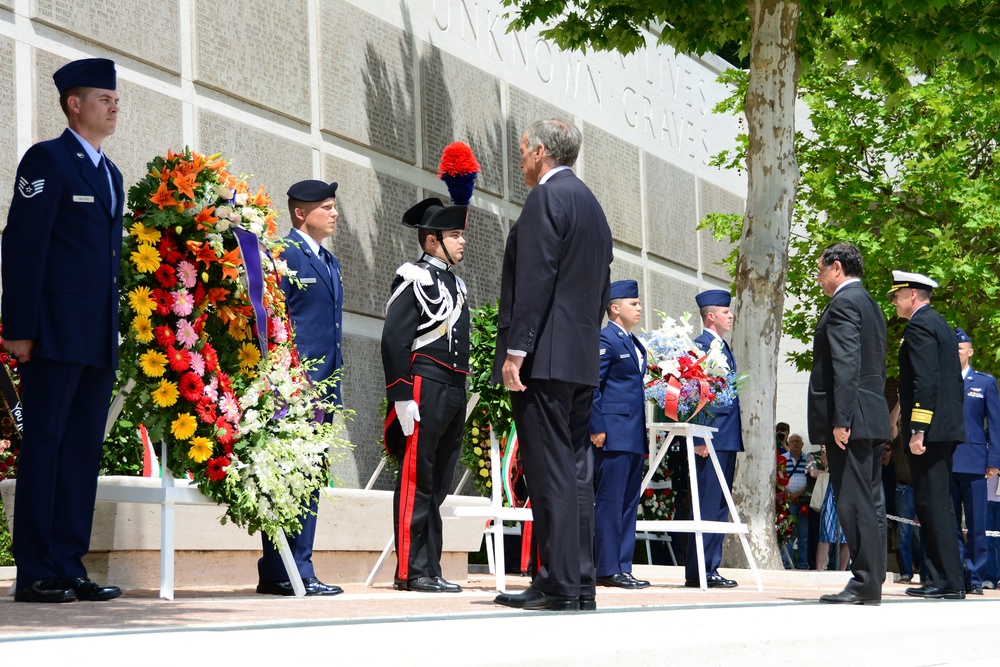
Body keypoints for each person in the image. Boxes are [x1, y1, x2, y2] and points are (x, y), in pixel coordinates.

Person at [1, 58, 124, 603]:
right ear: (74, 104)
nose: (114, 105)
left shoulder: (110, 174)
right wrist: (19, 328)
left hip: (96, 336)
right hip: (51, 332)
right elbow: (23, 246)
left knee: (80, 450)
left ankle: (69, 563)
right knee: (46, 446)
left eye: (115, 98)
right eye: (103, 97)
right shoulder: (47, 160)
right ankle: (34, 570)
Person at [492, 119, 613, 612]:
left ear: (541, 151)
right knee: (578, 469)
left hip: (544, 357)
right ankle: (580, 581)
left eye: (523, 150)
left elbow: (536, 277)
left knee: (549, 470)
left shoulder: (546, 198)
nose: (521, 159)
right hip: (581, 358)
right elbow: (603, 290)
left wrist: (517, 350)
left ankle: (557, 582)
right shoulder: (592, 205)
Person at [255, 180, 344, 597]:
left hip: (325, 385)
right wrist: (286, 378)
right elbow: (275, 322)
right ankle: (283, 569)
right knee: (287, 477)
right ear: (300, 213)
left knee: (311, 478)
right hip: (295, 387)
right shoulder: (284, 255)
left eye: (333, 206)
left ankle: (297, 567)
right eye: (325, 207)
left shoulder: (328, 260)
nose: (334, 212)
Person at [381, 196, 470, 594]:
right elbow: (394, 339)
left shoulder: (457, 283)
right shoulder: (413, 276)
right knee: (417, 481)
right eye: (454, 235)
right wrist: (400, 395)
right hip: (422, 386)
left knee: (438, 484)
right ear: (432, 241)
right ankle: (411, 571)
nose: (462, 242)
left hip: (452, 389)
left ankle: (430, 566)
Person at [807, 242, 891, 606]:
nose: (820, 277)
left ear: (837, 267)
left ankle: (864, 581)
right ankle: (872, 579)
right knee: (871, 501)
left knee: (853, 502)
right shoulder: (871, 304)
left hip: (852, 418)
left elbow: (845, 363)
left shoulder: (843, 303)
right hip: (871, 413)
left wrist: (841, 420)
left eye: (822, 269)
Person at [889, 270, 966, 600]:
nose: (893, 301)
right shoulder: (940, 324)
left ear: (912, 296)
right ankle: (939, 576)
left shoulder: (920, 325)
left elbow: (926, 382)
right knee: (935, 504)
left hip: (931, 430)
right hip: (943, 427)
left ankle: (947, 580)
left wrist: (918, 429)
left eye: (897, 296)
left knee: (932, 504)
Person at [589, 280, 650, 590]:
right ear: (615, 308)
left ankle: (622, 566)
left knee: (628, 503)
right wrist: (597, 427)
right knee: (611, 502)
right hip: (613, 434)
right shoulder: (606, 339)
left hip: (633, 436)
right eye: (633, 303)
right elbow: (594, 387)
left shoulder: (633, 342)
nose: (639, 308)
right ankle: (607, 567)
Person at [682, 288, 742, 589]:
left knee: (718, 505)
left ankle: (709, 567)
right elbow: (694, 395)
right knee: (706, 503)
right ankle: (699, 569)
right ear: (710, 316)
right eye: (725, 311)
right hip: (710, 438)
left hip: (726, 437)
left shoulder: (721, 345)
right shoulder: (700, 346)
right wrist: (699, 438)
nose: (730, 315)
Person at [950, 327, 1000, 596]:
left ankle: (976, 576)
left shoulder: (985, 382)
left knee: (977, 523)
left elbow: (995, 424)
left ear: (970, 352)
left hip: (975, 462)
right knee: (950, 523)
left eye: (961, 348)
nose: (957, 352)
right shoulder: (943, 380)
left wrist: (994, 460)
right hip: (946, 462)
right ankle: (956, 574)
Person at [889, 400, 924, 584]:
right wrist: (900, 403)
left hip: (922, 488)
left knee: (922, 533)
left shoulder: (922, 437)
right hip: (903, 487)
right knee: (904, 532)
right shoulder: (900, 438)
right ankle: (906, 572)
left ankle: (923, 570)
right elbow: (890, 425)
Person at [812, 446, 850, 571]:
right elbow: (824, 460)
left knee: (846, 535)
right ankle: (819, 569)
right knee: (825, 532)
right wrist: (828, 447)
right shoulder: (832, 442)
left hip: (848, 488)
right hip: (832, 486)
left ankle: (842, 571)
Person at [781, 434, 810, 570]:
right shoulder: (783, 459)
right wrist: (790, 495)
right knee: (789, 534)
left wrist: (798, 495)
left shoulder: (807, 459)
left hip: (803, 502)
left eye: (798, 441)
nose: (795, 444)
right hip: (788, 502)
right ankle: (788, 564)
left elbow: (809, 480)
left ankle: (803, 564)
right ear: (789, 443)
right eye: (792, 441)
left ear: (802, 444)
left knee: (804, 535)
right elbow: (778, 479)